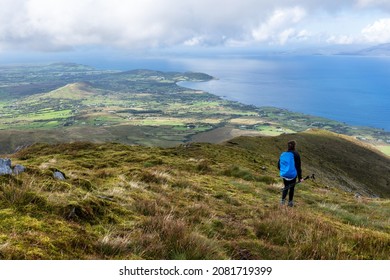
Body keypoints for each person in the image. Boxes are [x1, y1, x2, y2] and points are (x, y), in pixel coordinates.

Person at [278, 140, 302, 207]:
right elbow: (298, 167)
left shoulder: (284, 154)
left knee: (286, 187)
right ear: (294, 146)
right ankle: (290, 203)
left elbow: (278, 165)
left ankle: (282, 201)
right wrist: (300, 178)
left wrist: (284, 171)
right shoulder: (296, 154)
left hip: (284, 175)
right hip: (292, 175)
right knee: (291, 188)